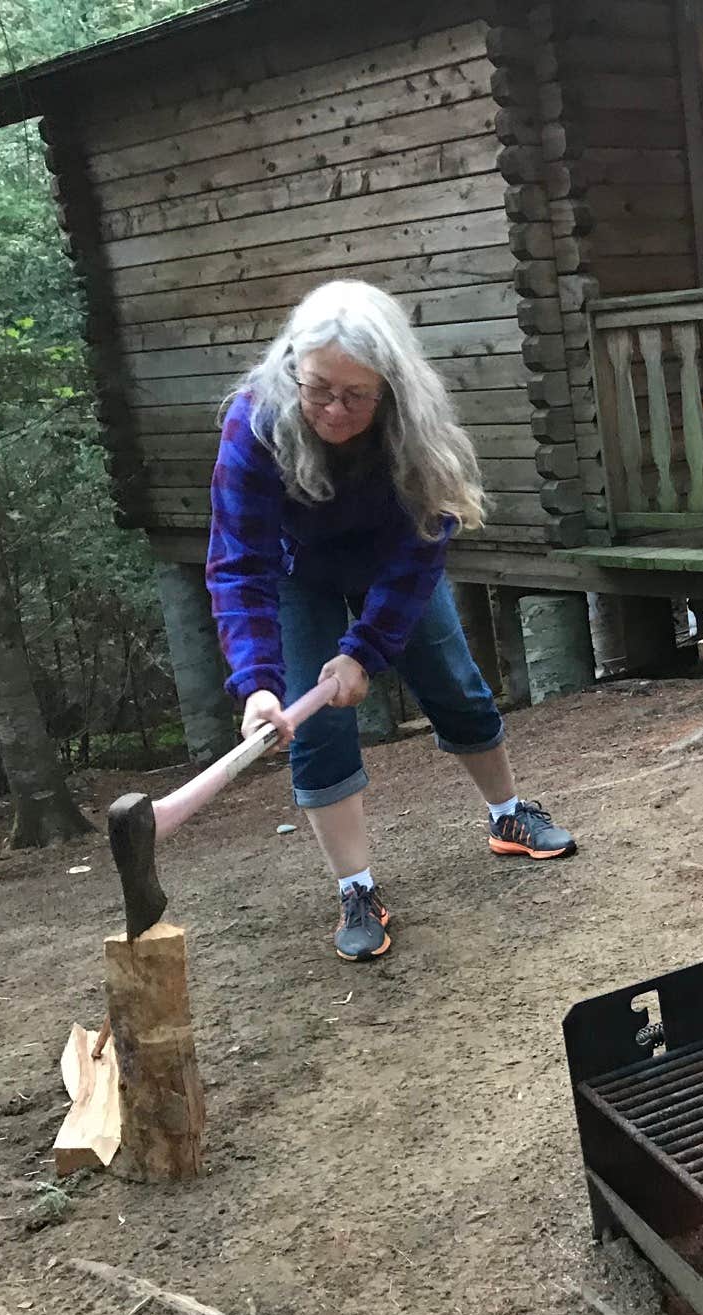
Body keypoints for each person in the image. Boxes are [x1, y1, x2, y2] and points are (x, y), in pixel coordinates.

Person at [206, 280, 575, 963]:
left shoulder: (415, 422)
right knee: (314, 723)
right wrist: (257, 681)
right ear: (293, 368)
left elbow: (427, 533)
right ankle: (356, 887)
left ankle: (508, 815)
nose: (335, 410)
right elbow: (239, 562)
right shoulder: (256, 423)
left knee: (454, 683)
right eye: (318, 389)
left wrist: (366, 650)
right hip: (297, 570)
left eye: (356, 395)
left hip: (390, 557)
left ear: (389, 386)